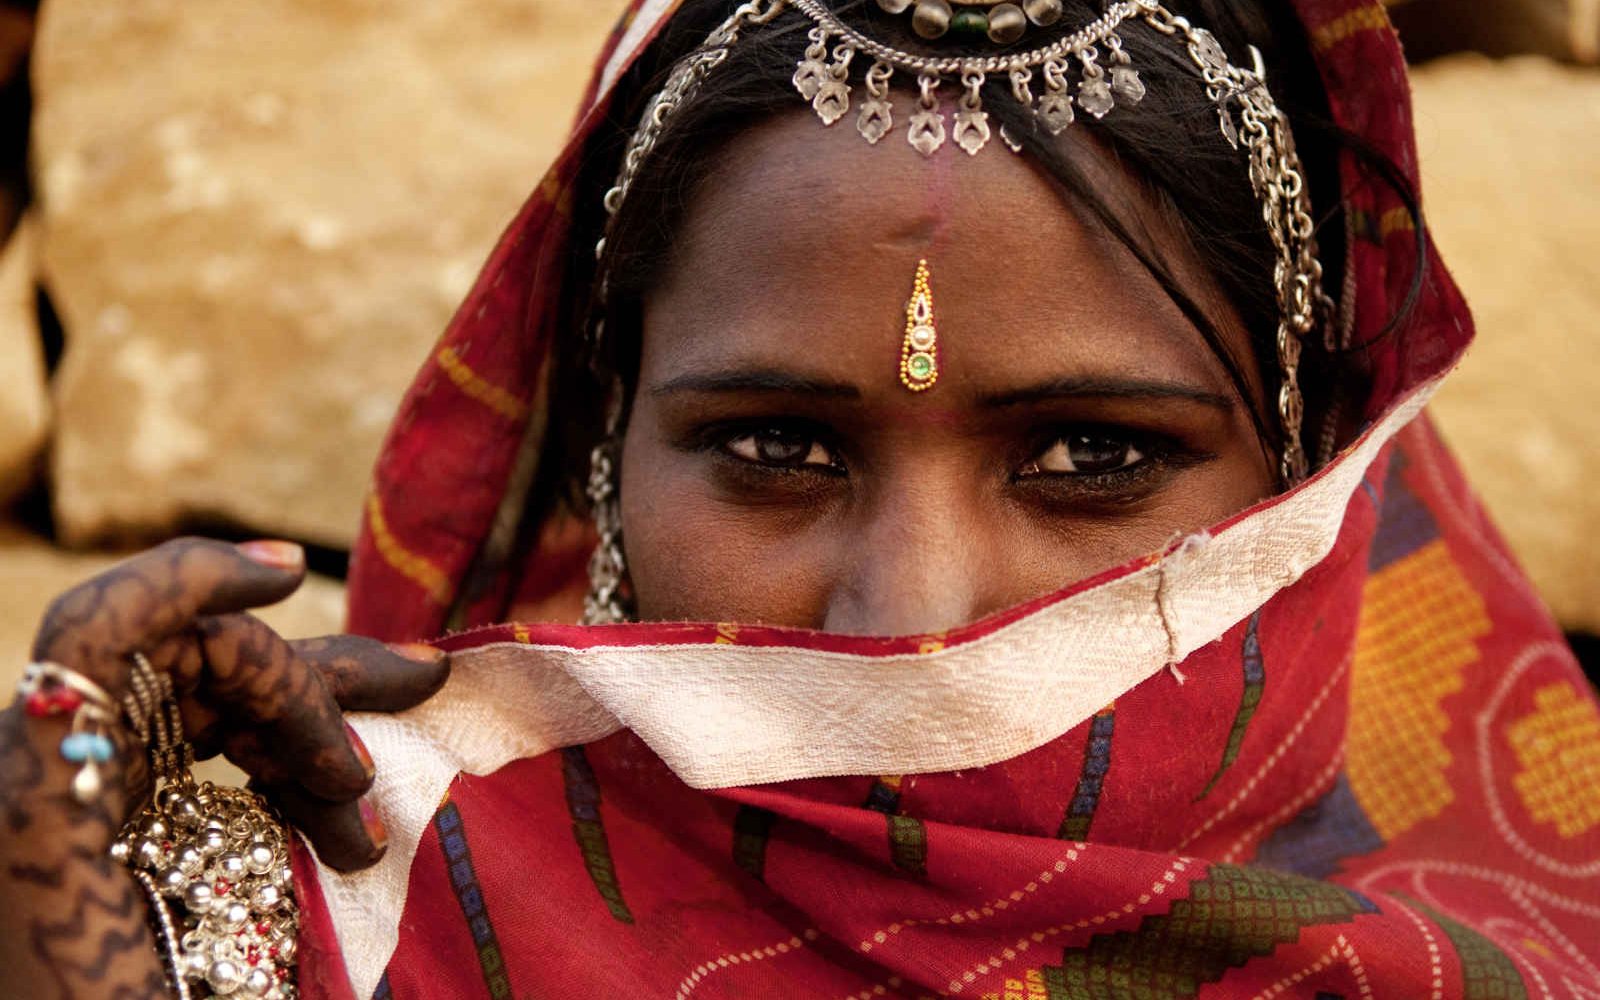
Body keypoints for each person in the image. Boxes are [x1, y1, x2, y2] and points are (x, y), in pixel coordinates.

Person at [4, 1, 1598, 997]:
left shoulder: (1506, 956)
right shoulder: (315, 947)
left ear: (1305, 493)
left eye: (1093, 457)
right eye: (779, 449)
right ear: (603, 457)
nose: (908, 613)